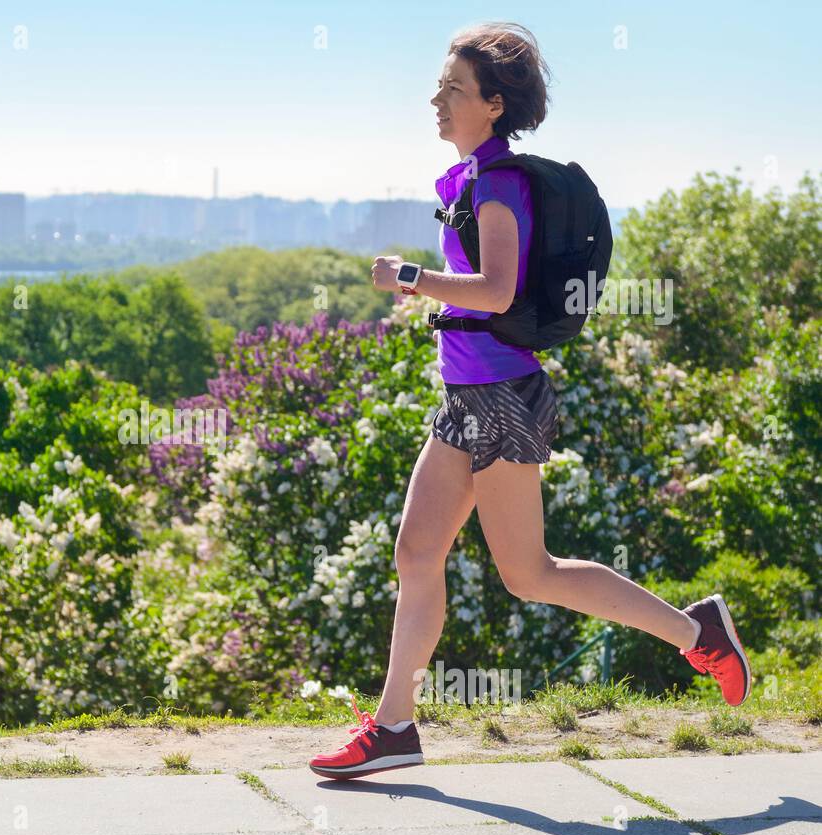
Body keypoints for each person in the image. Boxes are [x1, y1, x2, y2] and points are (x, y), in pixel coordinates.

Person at [308, 21, 750, 780]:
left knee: (530, 573)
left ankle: (697, 631)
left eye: (452, 88)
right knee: (417, 551)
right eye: (440, 86)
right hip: (464, 396)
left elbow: (497, 290)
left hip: (504, 396)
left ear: (493, 102)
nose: (436, 100)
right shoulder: (471, 181)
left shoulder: (501, 184)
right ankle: (396, 727)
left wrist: (410, 279)